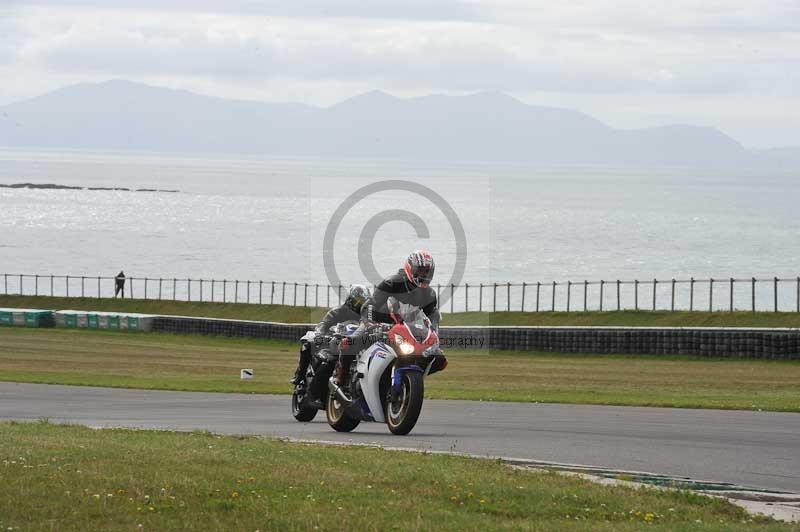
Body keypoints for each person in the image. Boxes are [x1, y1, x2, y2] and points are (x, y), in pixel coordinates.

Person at [334, 250, 446, 384]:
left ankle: (408, 380)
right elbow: (370, 305)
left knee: (440, 360)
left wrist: (431, 336)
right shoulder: (392, 282)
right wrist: (370, 323)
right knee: (350, 342)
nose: (424, 275)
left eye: (427, 272)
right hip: (378, 322)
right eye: (421, 271)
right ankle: (340, 376)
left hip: (404, 330)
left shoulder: (430, 295)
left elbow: (430, 318)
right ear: (410, 268)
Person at [290, 284, 371, 385]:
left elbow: (368, 328)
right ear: (350, 299)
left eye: (363, 302)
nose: (359, 304)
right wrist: (320, 334)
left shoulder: (366, 316)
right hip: (331, 341)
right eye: (357, 301)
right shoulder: (337, 311)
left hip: (351, 344)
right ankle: (300, 375)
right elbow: (323, 324)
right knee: (307, 345)